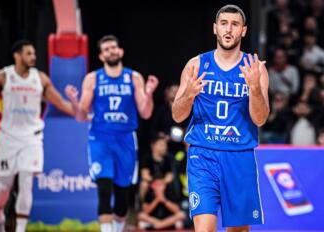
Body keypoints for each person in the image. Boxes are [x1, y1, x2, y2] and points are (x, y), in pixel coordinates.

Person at [172, 5, 269, 232]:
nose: (228, 29)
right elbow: (177, 115)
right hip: (202, 155)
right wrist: (189, 94)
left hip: (239, 156)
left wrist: (254, 89)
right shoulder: (196, 65)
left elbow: (260, 119)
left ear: (243, 31)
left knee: (238, 230)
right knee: (204, 228)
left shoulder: (255, 69)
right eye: (224, 23)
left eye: (235, 25)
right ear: (215, 28)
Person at [0, 39, 78, 232]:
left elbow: (61, 103)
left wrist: (81, 112)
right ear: (17, 55)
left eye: (34, 53)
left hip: (32, 138)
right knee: (3, 188)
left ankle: (21, 228)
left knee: (26, 183)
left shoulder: (40, 79)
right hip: (7, 137)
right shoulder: (3, 77)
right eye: (28, 53)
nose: (33, 56)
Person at [65, 35, 159, 232]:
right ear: (101, 56)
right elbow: (81, 116)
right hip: (100, 139)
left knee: (122, 197)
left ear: (121, 51)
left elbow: (146, 112)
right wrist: (74, 101)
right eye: (106, 49)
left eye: (113, 48)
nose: (111, 51)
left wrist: (149, 93)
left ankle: (117, 228)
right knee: (104, 189)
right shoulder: (92, 79)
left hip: (125, 140)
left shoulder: (133, 77)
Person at [138, 133, 185, 230]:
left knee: (181, 215)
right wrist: (156, 193)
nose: (164, 147)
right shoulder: (147, 158)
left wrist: (163, 196)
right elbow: (145, 174)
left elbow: (170, 176)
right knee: (143, 185)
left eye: (165, 145)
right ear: (153, 146)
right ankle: (161, 223)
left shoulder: (168, 159)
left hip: (164, 186)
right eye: (161, 145)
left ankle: (159, 224)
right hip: (152, 184)